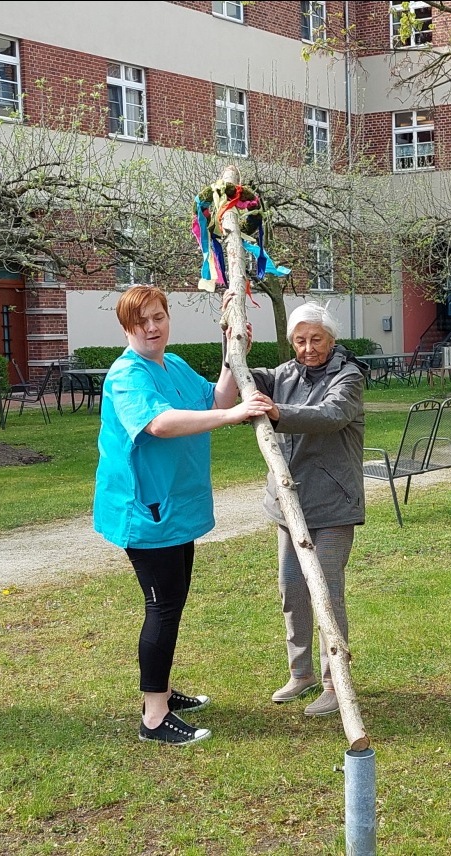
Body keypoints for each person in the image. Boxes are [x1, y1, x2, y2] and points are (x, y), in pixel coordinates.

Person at [93, 285, 273, 746]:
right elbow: (160, 423)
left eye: (158, 317)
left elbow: (212, 398)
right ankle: (154, 717)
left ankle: (165, 693)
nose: (152, 328)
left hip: (175, 508)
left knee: (171, 604)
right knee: (162, 607)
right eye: (141, 322)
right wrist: (235, 416)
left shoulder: (170, 364)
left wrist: (234, 354)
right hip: (147, 513)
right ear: (126, 328)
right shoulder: (126, 375)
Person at [249, 302, 366, 718]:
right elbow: (248, 380)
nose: (308, 348)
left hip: (332, 506)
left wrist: (279, 413)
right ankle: (301, 674)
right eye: (300, 340)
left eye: (316, 339)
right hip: (290, 504)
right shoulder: (285, 374)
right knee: (293, 591)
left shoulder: (348, 377)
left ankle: (336, 683)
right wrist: (236, 353)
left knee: (327, 596)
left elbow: (330, 415)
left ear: (331, 339)